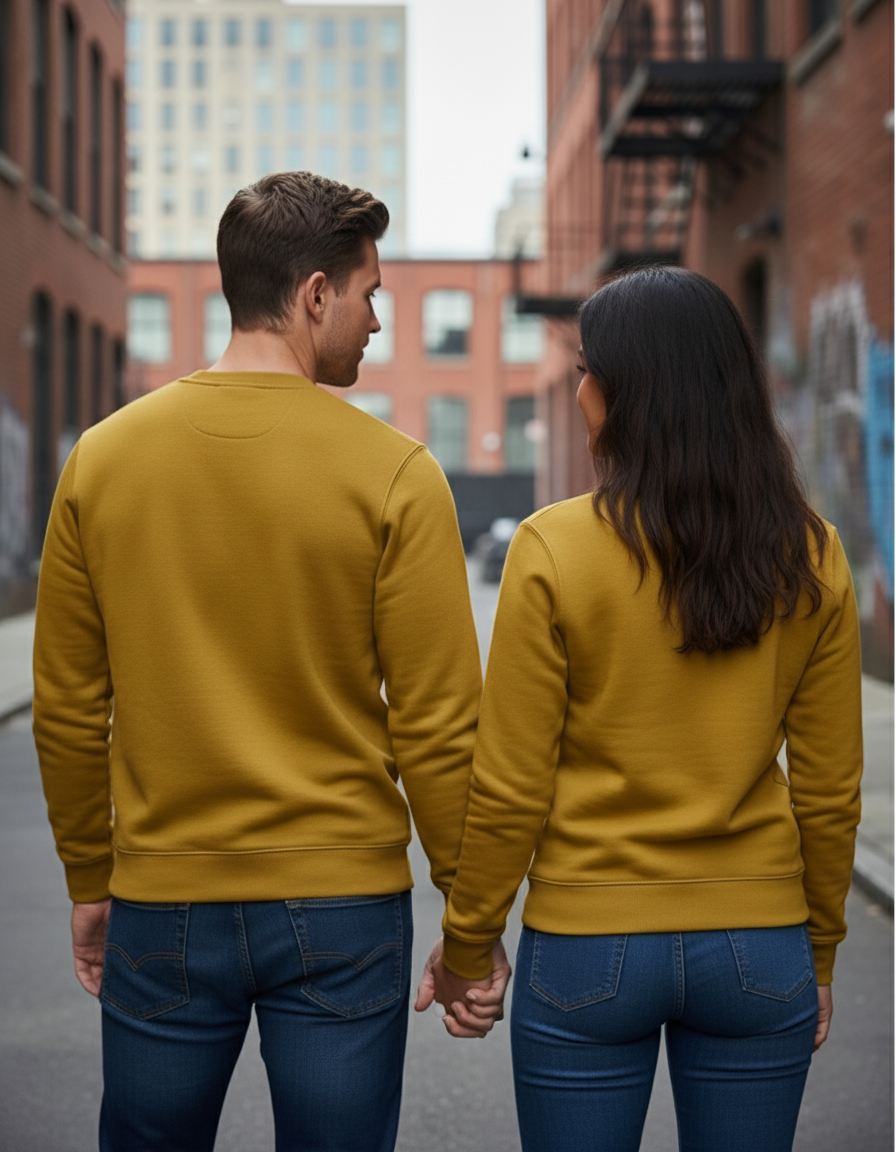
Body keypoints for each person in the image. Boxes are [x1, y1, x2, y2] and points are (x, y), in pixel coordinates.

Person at [32, 171, 505, 1152]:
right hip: (341, 909)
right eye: (369, 291)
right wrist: (470, 914)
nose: (377, 319)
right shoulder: (396, 475)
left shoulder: (103, 461)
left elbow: (70, 707)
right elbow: (439, 725)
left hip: (161, 897)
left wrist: (91, 875)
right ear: (313, 294)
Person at [429, 267, 863, 1151]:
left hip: (590, 943)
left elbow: (512, 783)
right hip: (758, 945)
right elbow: (828, 792)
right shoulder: (814, 555)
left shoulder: (553, 548)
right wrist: (816, 952)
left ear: (632, 393)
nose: (580, 389)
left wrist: (470, 946)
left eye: (588, 370)